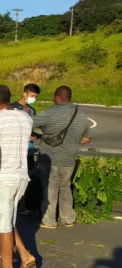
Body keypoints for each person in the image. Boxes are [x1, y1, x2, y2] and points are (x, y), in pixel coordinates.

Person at [0, 85, 38, 268]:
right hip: (21, 175)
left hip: (2, 176)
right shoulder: (24, 117)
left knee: (3, 224)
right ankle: (24, 254)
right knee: (6, 218)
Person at [32, 86, 91, 229]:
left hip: (50, 158)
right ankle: (68, 218)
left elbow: (29, 123)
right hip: (70, 158)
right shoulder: (82, 116)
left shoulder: (50, 112)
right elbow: (85, 139)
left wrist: (42, 135)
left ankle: (49, 220)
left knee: (50, 188)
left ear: (57, 97)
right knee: (65, 187)